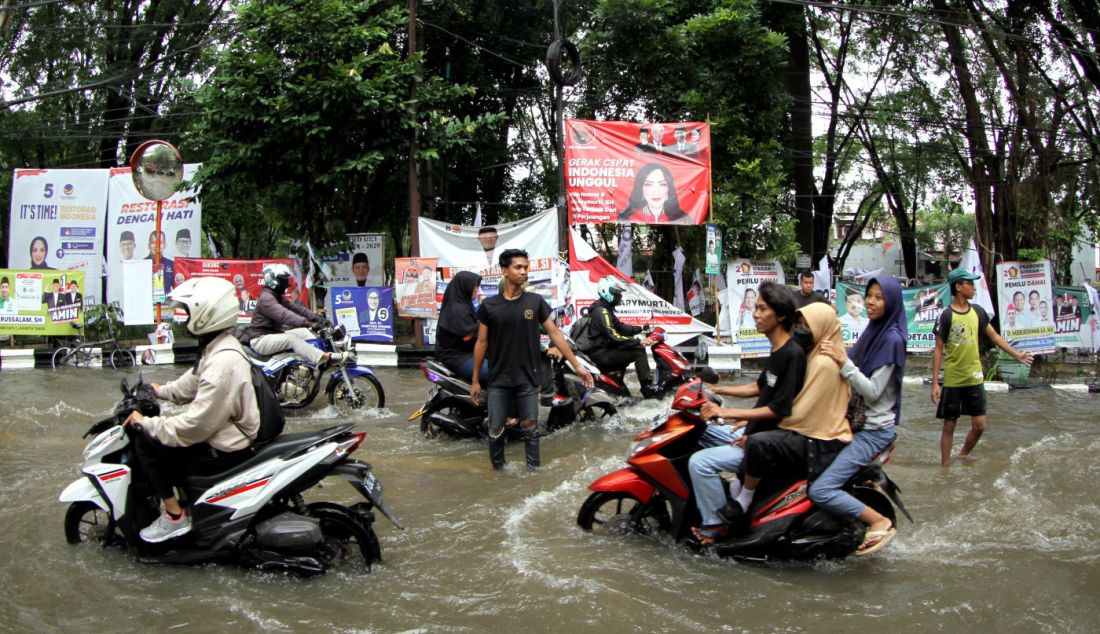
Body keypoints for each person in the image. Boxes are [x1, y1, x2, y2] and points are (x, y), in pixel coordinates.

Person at [121, 277, 259, 543]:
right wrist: (159, 390)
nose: (186, 319)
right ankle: (187, 503)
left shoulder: (222, 361)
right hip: (229, 432)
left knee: (147, 442)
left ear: (206, 314)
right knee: (166, 435)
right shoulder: (218, 347)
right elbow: (193, 383)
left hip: (229, 445)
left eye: (188, 312)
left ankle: (175, 516)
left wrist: (148, 424)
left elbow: (196, 425)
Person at [713, 302, 853, 536]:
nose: (800, 330)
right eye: (799, 324)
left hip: (819, 439)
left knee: (758, 442)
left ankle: (743, 500)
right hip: (808, 431)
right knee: (754, 436)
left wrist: (747, 425)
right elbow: (766, 391)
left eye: (807, 325)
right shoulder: (806, 354)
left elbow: (801, 410)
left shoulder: (823, 363)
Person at [690, 282, 805, 544]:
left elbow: (779, 409)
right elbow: (759, 386)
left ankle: (717, 524)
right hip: (753, 432)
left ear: (781, 316)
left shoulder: (793, 354)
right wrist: (717, 389)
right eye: (757, 307)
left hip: (766, 443)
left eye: (763, 309)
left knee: (700, 462)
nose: (755, 313)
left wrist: (726, 411)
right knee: (702, 431)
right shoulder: (776, 349)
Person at [470, 249, 594, 470]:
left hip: (528, 378)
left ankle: (533, 473)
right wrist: (476, 380)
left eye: (526, 268)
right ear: (504, 270)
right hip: (499, 379)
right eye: (518, 267)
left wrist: (577, 365)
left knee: (530, 426)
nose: (524, 272)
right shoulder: (489, 306)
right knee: (496, 428)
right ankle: (499, 472)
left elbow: (555, 334)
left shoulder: (535, 302)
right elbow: (481, 343)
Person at [811, 276, 906, 556]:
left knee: (821, 490)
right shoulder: (874, 330)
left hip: (872, 431)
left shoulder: (891, 339)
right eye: (869, 295)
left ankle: (879, 520)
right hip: (856, 424)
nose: (871, 302)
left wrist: (843, 361)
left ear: (891, 303)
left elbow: (873, 390)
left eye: (879, 297)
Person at [932, 267, 1033, 467]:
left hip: (975, 378)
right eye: (970, 284)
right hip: (953, 380)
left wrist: (1017, 354)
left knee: (979, 425)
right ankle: (944, 469)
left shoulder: (978, 312)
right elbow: (937, 350)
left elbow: (994, 336)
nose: (974, 288)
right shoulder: (945, 316)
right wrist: (935, 383)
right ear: (959, 287)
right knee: (949, 426)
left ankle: (961, 456)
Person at [244, 263, 348, 366]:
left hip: (273, 335)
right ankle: (326, 357)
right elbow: (284, 315)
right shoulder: (266, 299)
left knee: (304, 332)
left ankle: (311, 363)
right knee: (292, 339)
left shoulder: (277, 297)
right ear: (272, 279)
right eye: (283, 279)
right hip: (260, 340)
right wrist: (308, 323)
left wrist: (318, 318)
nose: (286, 282)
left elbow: (298, 309)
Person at [584, 276, 658, 399]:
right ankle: (647, 389)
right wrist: (639, 341)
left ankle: (620, 385)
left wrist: (640, 327)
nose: (620, 297)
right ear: (606, 292)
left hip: (604, 351)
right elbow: (614, 336)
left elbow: (621, 328)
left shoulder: (605, 309)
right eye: (617, 293)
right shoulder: (601, 312)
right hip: (601, 354)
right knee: (638, 351)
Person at [435, 271, 488, 381]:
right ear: (465, 287)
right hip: (457, 356)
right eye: (474, 286)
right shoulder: (458, 310)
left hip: (468, 351)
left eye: (477, 286)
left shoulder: (464, 304)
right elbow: (474, 332)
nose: (476, 290)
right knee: (498, 374)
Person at [616, 163, 690, 224]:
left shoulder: (683, 219)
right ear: (641, 189)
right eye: (649, 184)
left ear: (669, 188)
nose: (656, 191)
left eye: (662, 184)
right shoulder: (628, 218)